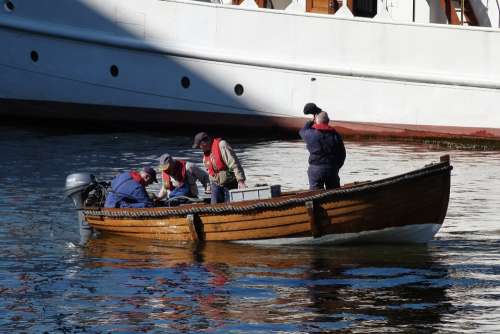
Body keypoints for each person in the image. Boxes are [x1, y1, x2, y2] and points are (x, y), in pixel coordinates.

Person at [299, 103, 346, 190]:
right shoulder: (336, 135)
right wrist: (336, 167)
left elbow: (302, 131)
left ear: (316, 120)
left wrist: (311, 121)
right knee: (334, 193)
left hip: (315, 169)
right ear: (328, 121)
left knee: (315, 195)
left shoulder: (310, 134)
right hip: (332, 168)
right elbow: (342, 154)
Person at [192, 132, 246, 204]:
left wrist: (240, 181)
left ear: (204, 143)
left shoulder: (222, 145)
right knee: (214, 207)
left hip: (229, 183)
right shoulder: (205, 156)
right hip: (216, 184)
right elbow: (210, 172)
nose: (199, 148)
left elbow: (234, 163)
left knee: (230, 206)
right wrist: (209, 186)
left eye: (199, 146)